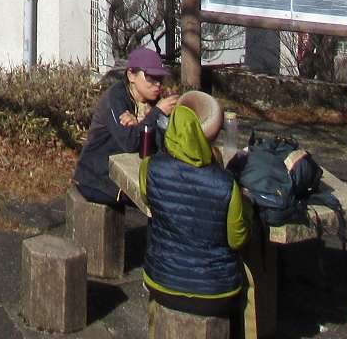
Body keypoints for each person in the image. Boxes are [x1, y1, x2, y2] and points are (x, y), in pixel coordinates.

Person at [139, 90, 251, 325]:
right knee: (250, 279)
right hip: (216, 291)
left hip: (162, 280)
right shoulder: (226, 184)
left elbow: (149, 199)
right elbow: (237, 240)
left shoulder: (150, 169)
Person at [73, 44, 176, 205]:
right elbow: (130, 142)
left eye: (160, 78)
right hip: (98, 177)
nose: (157, 84)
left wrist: (142, 122)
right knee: (158, 202)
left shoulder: (153, 101)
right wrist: (156, 114)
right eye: (151, 77)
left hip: (131, 172)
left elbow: (163, 145)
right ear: (131, 75)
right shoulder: (116, 97)